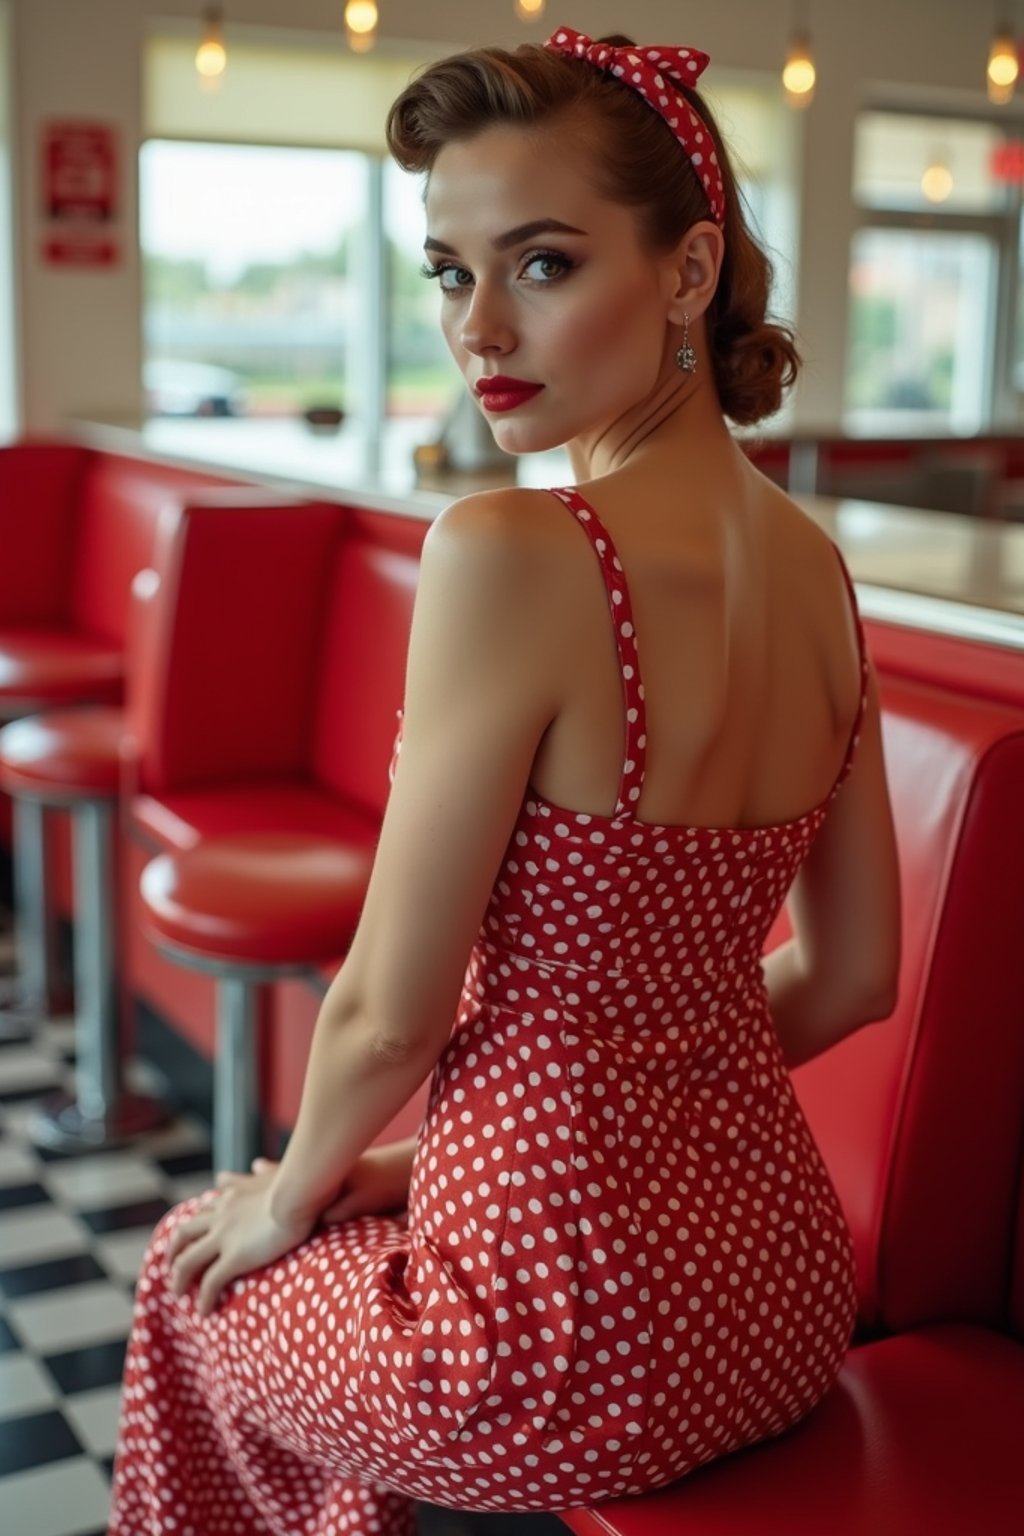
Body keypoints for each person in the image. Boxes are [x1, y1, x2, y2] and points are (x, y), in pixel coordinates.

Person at [109, 23, 901, 1536]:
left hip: (555, 1351)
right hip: (788, 1302)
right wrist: (401, 1173)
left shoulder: (515, 552)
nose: (478, 328)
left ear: (687, 270)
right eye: (449, 271)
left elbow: (390, 1012)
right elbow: (857, 974)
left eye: (540, 264)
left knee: (188, 1261)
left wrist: (288, 1194)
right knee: (332, 1276)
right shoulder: (822, 575)